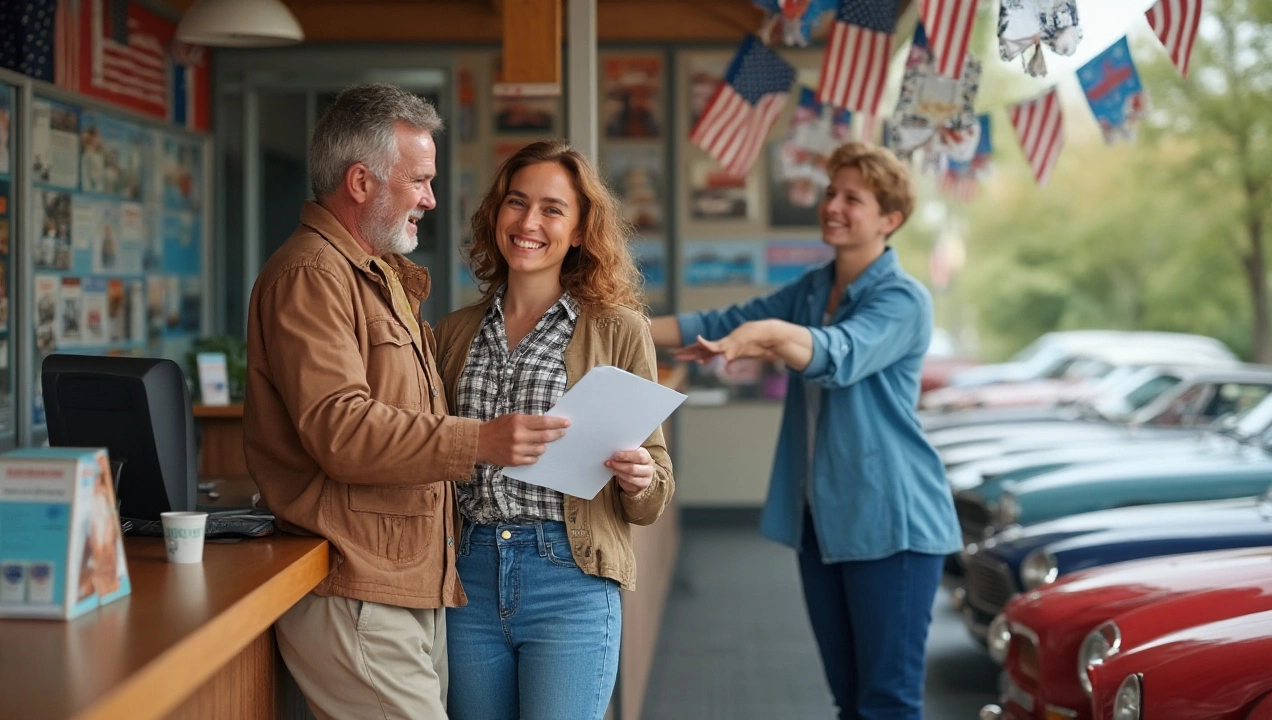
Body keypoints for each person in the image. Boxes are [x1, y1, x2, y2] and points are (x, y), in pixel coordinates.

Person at [243, 84, 570, 720]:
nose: (430, 198)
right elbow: (339, 428)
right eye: (419, 180)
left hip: (401, 583)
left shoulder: (376, 272)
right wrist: (479, 441)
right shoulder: (311, 274)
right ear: (361, 181)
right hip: (358, 587)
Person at [650, 141, 960, 720]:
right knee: (848, 700)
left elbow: (837, 355)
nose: (832, 205)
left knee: (886, 703)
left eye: (853, 198)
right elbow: (720, 323)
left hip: (893, 524)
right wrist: (622, 327)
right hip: (822, 519)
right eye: (829, 192)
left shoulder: (903, 299)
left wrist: (769, 333)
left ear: (890, 220)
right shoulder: (814, 289)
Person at [434, 140, 674, 720]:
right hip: (468, 577)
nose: (529, 222)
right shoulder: (451, 333)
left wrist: (640, 478)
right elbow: (432, 453)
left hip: (570, 578)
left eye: (552, 209)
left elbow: (655, 490)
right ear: (496, 214)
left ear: (580, 230)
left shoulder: (619, 330)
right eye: (517, 203)